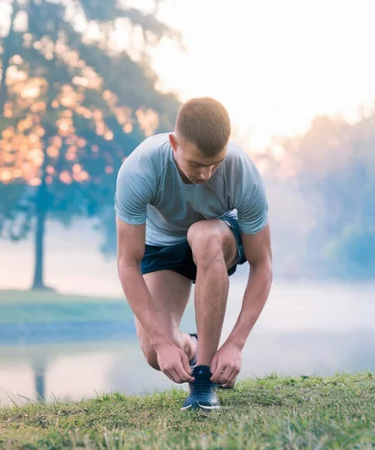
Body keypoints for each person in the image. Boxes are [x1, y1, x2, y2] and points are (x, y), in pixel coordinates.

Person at [114, 97, 273, 411]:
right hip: (162, 247)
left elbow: (263, 264)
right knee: (152, 352)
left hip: (216, 239)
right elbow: (127, 262)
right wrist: (162, 342)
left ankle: (202, 381)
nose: (206, 174)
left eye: (215, 163)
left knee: (202, 234)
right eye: (197, 164)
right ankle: (194, 347)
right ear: (174, 143)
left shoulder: (242, 170)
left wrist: (235, 343)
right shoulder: (140, 168)